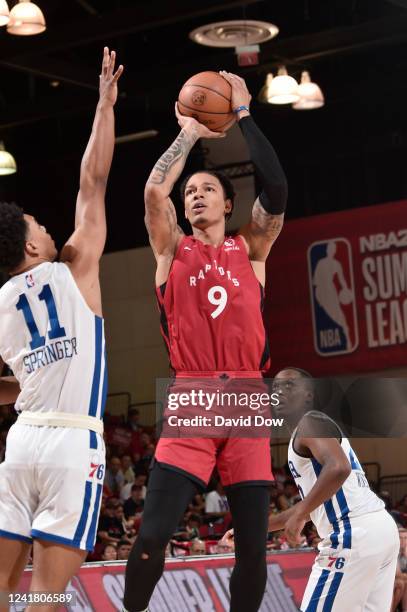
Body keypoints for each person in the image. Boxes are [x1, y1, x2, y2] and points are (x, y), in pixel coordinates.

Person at [123, 71, 287, 612]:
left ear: (226, 202)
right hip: (192, 396)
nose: (195, 195)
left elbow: (278, 189)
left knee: (253, 555)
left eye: (206, 189)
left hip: (245, 397)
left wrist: (243, 116)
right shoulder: (171, 249)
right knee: (151, 537)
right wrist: (190, 131)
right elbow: (154, 191)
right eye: (190, 191)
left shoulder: (253, 250)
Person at [0, 47, 123, 612]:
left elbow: (17, 383)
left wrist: (22, 391)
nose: (51, 229)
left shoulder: (1, 301)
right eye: (41, 227)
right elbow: (92, 181)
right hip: (73, 440)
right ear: (30, 246)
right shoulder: (75, 266)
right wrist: (103, 105)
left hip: (22, 441)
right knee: (46, 597)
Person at [222, 367, 400, 611]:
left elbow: (339, 467)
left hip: (353, 531)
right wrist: (250, 530)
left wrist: (298, 514)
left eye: (290, 385)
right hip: (379, 530)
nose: (280, 391)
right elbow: (303, 510)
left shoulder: (311, 421)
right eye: (276, 387)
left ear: (309, 394)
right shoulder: (309, 433)